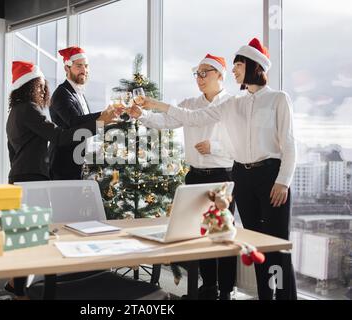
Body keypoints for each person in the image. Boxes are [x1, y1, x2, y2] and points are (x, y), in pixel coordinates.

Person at [136, 38, 297, 300]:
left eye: (238, 65)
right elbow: (193, 117)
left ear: (255, 65)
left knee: (277, 246)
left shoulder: (279, 99)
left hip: (270, 175)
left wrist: (283, 181)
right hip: (242, 177)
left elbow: (289, 143)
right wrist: (156, 105)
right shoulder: (235, 103)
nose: (234, 71)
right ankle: (266, 297)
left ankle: (283, 297)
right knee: (255, 242)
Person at [128, 54, 237, 300]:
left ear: (221, 75)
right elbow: (166, 121)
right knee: (200, 234)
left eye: (205, 73)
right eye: (196, 74)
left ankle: (227, 291)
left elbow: (240, 144)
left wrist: (215, 147)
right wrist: (141, 115)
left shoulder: (232, 103)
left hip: (222, 177)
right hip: (195, 176)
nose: (199, 78)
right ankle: (208, 288)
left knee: (223, 237)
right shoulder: (190, 103)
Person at [6, 60, 116, 299]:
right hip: (32, 180)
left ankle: (15, 283)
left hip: (18, 176)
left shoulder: (14, 113)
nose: (45, 90)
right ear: (31, 86)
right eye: (42, 85)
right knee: (34, 236)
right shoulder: (29, 110)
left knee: (24, 235)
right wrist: (99, 123)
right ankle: (22, 288)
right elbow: (60, 137)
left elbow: (12, 151)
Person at [48, 46, 100, 180]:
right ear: (67, 68)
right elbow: (75, 122)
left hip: (78, 164)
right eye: (79, 66)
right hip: (63, 166)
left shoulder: (79, 94)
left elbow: (85, 125)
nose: (84, 70)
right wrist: (104, 116)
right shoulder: (62, 94)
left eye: (86, 66)